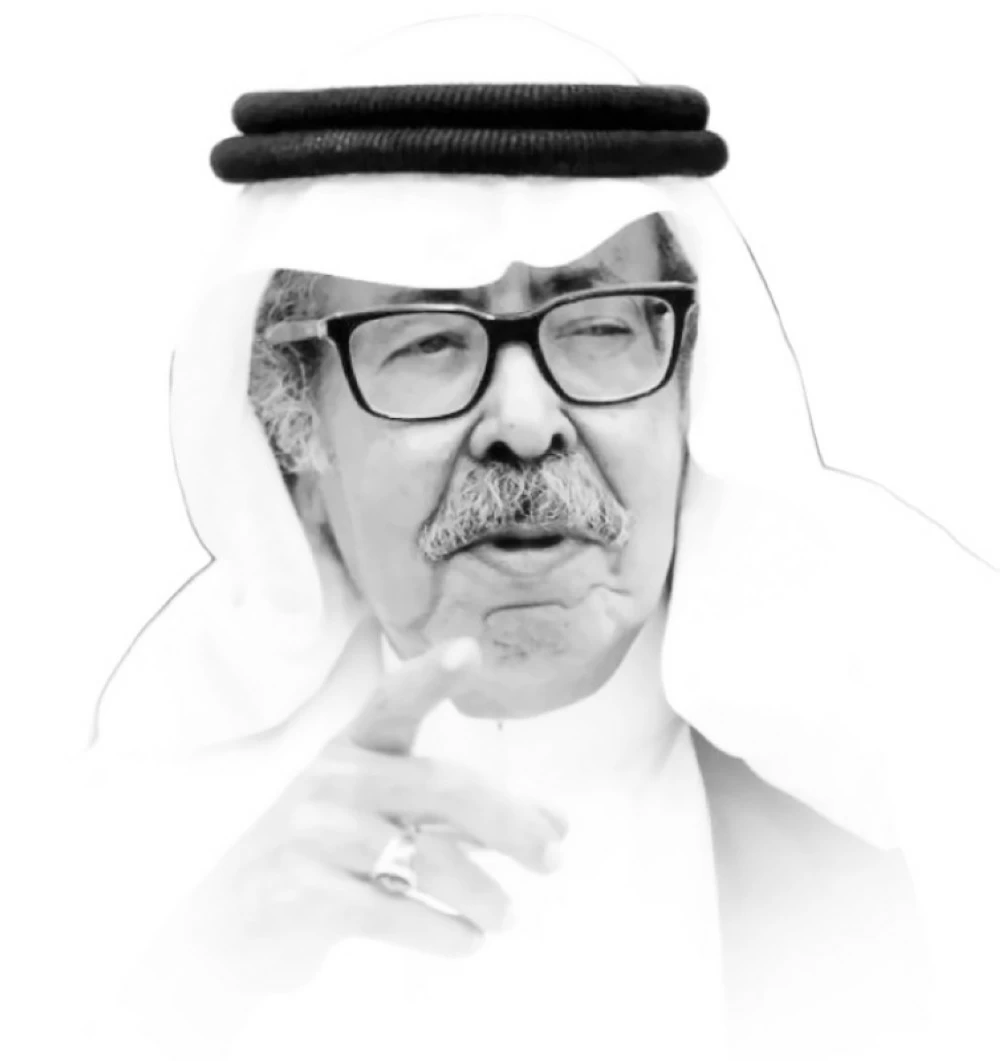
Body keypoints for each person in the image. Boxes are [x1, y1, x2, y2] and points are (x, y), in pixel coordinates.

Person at [68, 14, 998, 1061]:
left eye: (598, 327)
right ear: (295, 431)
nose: (523, 420)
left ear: (691, 393)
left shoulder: (943, 768)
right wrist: (197, 982)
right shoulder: (128, 862)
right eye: (426, 340)